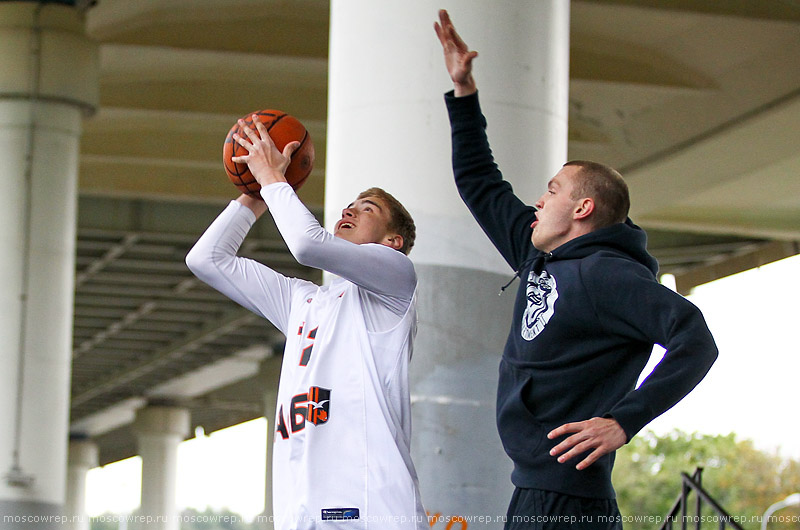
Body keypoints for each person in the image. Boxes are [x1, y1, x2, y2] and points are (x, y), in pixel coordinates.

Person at [434, 10, 718, 529]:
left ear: (583, 209)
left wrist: (623, 421)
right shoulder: (536, 251)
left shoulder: (607, 275)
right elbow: (479, 181)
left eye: (553, 191)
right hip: (533, 488)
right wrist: (464, 94)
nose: (539, 201)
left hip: (569, 500)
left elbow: (696, 338)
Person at [186, 117, 426, 529]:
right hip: (304, 516)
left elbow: (306, 244)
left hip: (374, 514)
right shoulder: (304, 301)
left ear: (392, 242)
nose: (349, 209)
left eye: (368, 209)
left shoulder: (396, 279)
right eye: (350, 204)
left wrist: (272, 176)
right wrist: (255, 196)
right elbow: (207, 260)